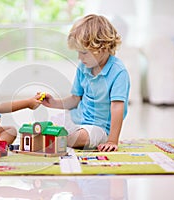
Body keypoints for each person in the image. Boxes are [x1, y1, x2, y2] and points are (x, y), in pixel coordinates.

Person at [41, 14, 130, 152]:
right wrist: (54, 103)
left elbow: (117, 107)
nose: (79, 57)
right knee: (50, 124)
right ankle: (54, 136)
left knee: (79, 138)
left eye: (83, 53)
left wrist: (113, 140)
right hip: (77, 119)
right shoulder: (83, 67)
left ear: (103, 47)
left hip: (98, 128)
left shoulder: (118, 72)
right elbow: (75, 99)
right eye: (78, 52)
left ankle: (56, 138)